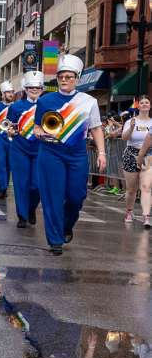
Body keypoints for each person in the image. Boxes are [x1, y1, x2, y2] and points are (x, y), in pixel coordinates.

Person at [34, 54, 106, 255]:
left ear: (77, 78)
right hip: (51, 153)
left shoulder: (88, 101)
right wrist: (41, 136)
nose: (64, 80)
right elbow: (37, 128)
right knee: (53, 196)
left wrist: (102, 153)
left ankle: (66, 225)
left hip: (77, 155)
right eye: (61, 76)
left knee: (77, 196)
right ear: (57, 78)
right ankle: (55, 240)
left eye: (69, 76)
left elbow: (97, 128)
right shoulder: (45, 100)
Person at [7, 71, 43, 228]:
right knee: (21, 182)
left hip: (40, 148)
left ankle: (31, 208)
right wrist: (10, 131)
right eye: (31, 87)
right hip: (19, 148)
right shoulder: (16, 107)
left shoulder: (48, 104)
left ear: (42, 88)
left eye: (37, 87)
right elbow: (8, 125)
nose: (34, 90)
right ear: (25, 89)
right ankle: (22, 215)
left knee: (37, 185)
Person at [121, 95, 152, 227]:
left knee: (146, 187)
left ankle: (146, 216)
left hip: (148, 155)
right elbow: (124, 138)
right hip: (131, 153)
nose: (144, 104)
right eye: (142, 103)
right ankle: (129, 211)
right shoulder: (131, 121)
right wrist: (131, 128)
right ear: (138, 106)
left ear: (150, 106)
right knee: (131, 189)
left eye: (147, 102)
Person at [0, 81, 15, 199]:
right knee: (1, 163)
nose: (11, 94)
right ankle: (2, 189)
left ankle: (5, 186)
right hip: (0, 138)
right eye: (9, 92)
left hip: (12, 138)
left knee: (9, 164)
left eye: (12, 92)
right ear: (3, 94)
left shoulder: (16, 106)